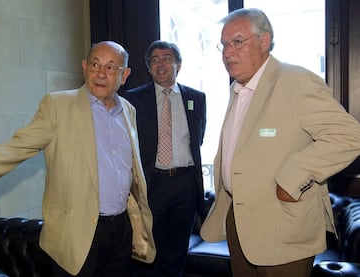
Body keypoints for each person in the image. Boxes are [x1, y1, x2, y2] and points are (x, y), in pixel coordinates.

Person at [0, 41, 156, 277]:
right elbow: (21, 145)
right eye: (95, 65)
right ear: (84, 66)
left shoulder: (128, 110)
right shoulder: (58, 105)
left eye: (110, 68)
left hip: (121, 229)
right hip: (76, 233)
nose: (100, 73)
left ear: (125, 74)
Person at [199, 7, 360, 277]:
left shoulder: (295, 81)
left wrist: (293, 177)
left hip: (282, 229)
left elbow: (349, 136)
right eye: (224, 45)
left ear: (264, 41)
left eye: (237, 42)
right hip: (240, 225)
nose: (227, 53)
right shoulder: (237, 89)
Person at [124, 40, 206, 277]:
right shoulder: (133, 98)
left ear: (178, 64)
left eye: (167, 58)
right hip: (152, 183)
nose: (161, 64)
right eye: (155, 60)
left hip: (185, 185)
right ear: (149, 68)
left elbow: (198, 138)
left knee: (178, 250)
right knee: (150, 250)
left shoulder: (197, 98)